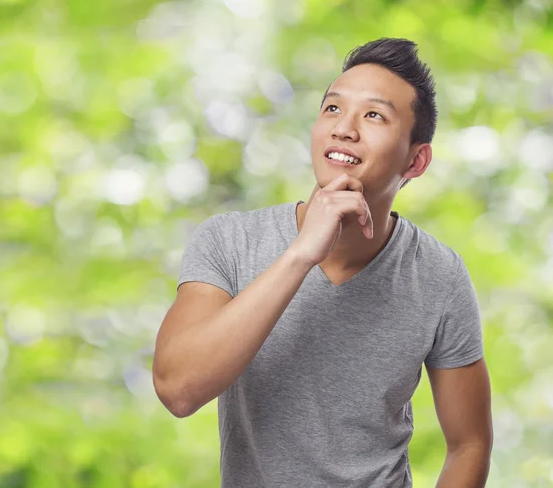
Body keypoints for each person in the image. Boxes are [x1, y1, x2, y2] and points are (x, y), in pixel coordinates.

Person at [153, 37, 493, 487]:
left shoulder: (439, 275)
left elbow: (470, 443)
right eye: (332, 109)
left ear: (416, 160)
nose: (344, 128)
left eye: (374, 115)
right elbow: (178, 390)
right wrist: (300, 255)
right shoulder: (229, 241)